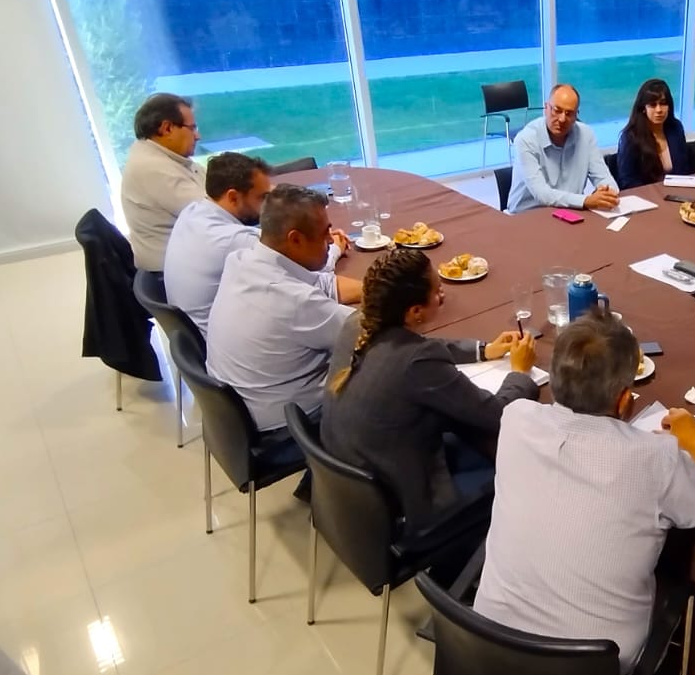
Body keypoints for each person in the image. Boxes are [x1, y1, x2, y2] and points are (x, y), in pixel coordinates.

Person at [475, 310, 695, 675]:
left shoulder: (515, 417)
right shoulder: (656, 458)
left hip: (484, 648)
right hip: (589, 674)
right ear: (623, 398)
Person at [319, 249, 539, 533]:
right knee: (521, 470)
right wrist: (519, 372)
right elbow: (497, 415)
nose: (442, 294)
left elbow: (421, 347)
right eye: (436, 290)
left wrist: (484, 350)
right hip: (403, 500)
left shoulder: (358, 323)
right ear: (415, 311)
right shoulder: (417, 362)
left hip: (347, 489)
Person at [205, 184, 356, 431]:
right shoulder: (295, 301)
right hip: (290, 426)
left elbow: (319, 282)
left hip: (237, 416)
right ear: (295, 239)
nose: (331, 240)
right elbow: (369, 330)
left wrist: (373, 288)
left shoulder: (241, 260)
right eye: (325, 233)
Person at [164, 153, 359, 335]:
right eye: (262, 198)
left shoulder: (193, 211)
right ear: (233, 197)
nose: (268, 205)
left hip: (208, 331)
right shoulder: (234, 241)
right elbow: (311, 270)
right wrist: (335, 247)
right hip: (230, 337)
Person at [120, 93, 205, 272]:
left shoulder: (165, 158)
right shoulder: (152, 168)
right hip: (174, 272)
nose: (198, 136)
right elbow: (213, 214)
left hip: (186, 258)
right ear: (167, 129)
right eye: (192, 128)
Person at [507, 84, 620, 213]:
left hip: (571, 211)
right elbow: (542, 194)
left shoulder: (586, 134)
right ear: (546, 108)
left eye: (569, 113)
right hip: (529, 215)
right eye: (557, 110)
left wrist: (608, 192)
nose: (562, 119)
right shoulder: (526, 139)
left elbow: (603, 177)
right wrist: (586, 201)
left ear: (576, 115)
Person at [615, 78, 691, 188]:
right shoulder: (630, 137)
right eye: (652, 105)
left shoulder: (675, 128)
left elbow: (683, 169)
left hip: (677, 191)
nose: (659, 110)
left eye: (663, 103)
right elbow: (628, 181)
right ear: (643, 108)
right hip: (646, 194)